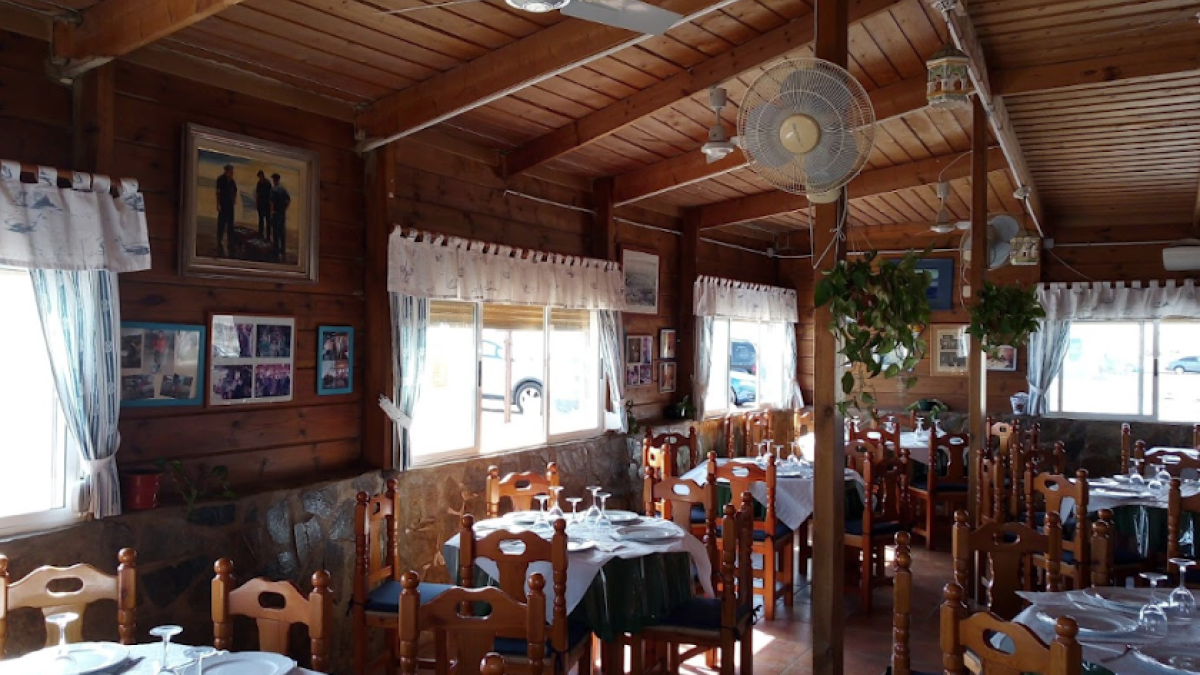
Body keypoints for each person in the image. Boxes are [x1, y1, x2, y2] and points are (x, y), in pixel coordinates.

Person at [215, 164, 238, 256]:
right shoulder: (220, 179)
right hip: (223, 204)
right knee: (221, 223)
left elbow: (235, 190)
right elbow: (218, 192)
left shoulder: (232, 181)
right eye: (231, 171)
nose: (232, 173)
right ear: (226, 171)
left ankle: (230, 242)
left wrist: (234, 199)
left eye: (232, 171)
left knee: (230, 224)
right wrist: (218, 204)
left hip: (230, 205)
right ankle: (219, 241)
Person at [269, 173, 291, 261]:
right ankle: (283, 250)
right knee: (282, 232)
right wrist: (285, 209)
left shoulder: (273, 189)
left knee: (275, 233)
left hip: (276, 213)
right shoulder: (283, 189)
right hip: (282, 213)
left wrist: (271, 212)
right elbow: (288, 200)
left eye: (273, 179)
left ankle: (276, 251)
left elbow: (271, 202)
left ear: (274, 180)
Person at [255, 170, 272, 241]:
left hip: (267, 204)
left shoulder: (268, 183)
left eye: (260, 176)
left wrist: (271, 205)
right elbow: (257, 194)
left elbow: (271, 194)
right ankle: (260, 235)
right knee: (261, 220)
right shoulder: (258, 183)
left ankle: (268, 237)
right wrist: (256, 203)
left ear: (262, 175)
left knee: (268, 221)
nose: (259, 178)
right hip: (260, 204)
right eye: (258, 177)